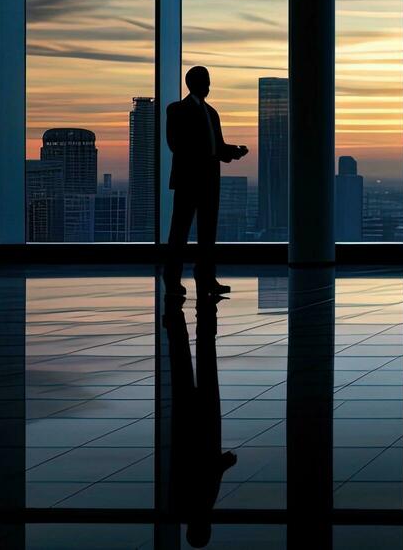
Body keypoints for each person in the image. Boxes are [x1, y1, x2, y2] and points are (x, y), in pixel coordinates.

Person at [165, 66, 247, 298]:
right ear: (193, 84)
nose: (208, 87)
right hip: (189, 180)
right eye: (205, 82)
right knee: (179, 232)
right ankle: (172, 279)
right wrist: (210, 154)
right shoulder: (177, 110)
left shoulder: (212, 113)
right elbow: (175, 144)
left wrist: (234, 151)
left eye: (208, 82)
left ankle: (206, 277)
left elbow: (216, 147)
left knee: (207, 233)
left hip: (209, 180)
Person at [163, 295, 236, 548]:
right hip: (185, 429)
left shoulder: (203, 506)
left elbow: (212, 469)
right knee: (181, 362)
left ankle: (206, 309)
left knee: (206, 359)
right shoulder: (177, 506)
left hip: (204, 429)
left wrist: (228, 460)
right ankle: (174, 311)